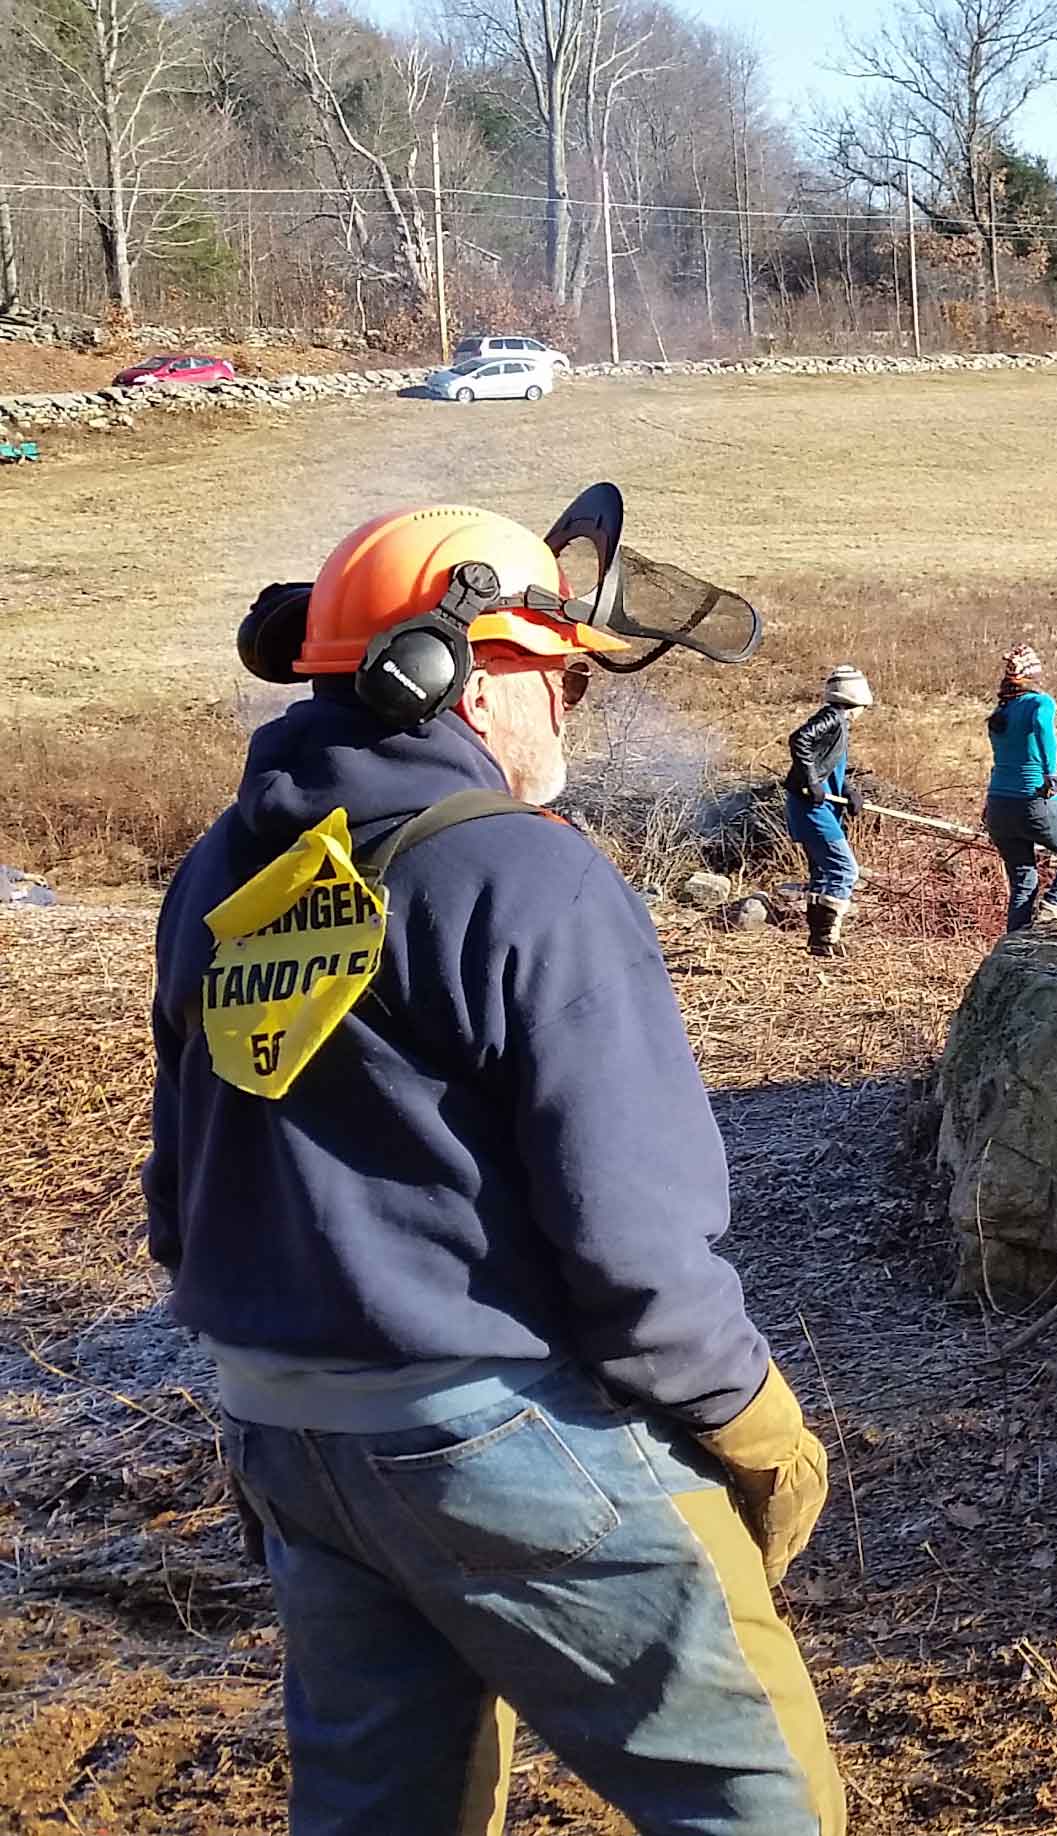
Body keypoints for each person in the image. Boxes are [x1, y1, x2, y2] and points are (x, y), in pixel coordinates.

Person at [146, 504, 843, 1835]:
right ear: (455, 672)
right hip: (498, 1435)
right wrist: (750, 1420)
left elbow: (183, 1197)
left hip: (291, 1440)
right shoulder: (525, 875)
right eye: (556, 674)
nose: (570, 709)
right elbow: (636, 1244)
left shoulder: (221, 872)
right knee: (763, 1801)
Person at [982, 641, 1057, 930]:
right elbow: (1044, 730)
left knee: (1022, 877)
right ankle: (1053, 906)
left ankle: (1014, 945)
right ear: (1033, 677)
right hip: (1032, 799)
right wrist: (1051, 774)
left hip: (998, 805)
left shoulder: (1001, 711)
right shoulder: (1039, 703)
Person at [784, 666, 872, 958]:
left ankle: (819, 943)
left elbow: (827, 764)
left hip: (819, 805)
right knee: (844, 870)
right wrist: (811, 780)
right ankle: (826, 939)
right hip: (811, 807)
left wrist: (846, 790)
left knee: (822, 873)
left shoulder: (839, 723)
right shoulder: (833, 717)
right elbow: (800, 739)